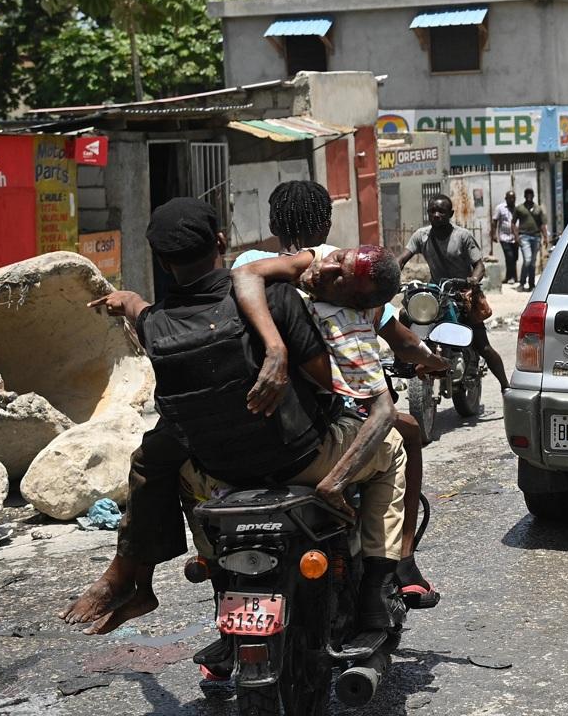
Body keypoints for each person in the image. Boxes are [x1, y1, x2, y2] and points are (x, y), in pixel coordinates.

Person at [62, 199, 408, 640]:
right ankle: (379, 587)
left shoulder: (157, 326)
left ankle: (214, 586)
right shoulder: (275, 300)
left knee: (171, 468)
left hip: (219, 473)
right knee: (393, 448)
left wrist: (126, 299)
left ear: (164, 263)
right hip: (300, 459)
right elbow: (333, 383)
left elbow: (141, 312)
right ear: (222, 242)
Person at [230, 180, 450, 605]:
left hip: (258, 412)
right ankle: (399, 563)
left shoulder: (251, 262)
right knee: (406, 433)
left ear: (274, 222)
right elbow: (402, 341)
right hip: (320, 419)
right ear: (327, 222)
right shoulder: (346, 268)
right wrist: (434, 360)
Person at [399, 194, 511, 392]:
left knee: (482, 345)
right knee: (405, 314)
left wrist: (474, 280)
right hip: (437, 295)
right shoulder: (421, 236)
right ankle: (401, 360)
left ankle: (505, 387)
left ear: (450, 213)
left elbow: (479, 265)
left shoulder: (462, 236)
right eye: (433, 211)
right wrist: (391, 274)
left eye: (441, 211)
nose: (436, 214)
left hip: (463, 295)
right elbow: (402, 259)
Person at [512, 188, 547, 291]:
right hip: (524, 236)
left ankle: (531, 284)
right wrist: (516, 236)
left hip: (536, 237)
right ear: (524, 195)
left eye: (531, 194)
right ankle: (522, 283)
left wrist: (545, 237)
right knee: (527, 259)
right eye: (527, 194)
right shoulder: (520, 208)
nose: (529, 196)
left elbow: (542, 224)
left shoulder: (538, 209)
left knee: (532, 262)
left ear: (533, 195)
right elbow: (513, 223)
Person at [492, 189, 519, 286]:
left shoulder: (517, 209)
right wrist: (494, 234)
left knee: (514, 257)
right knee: (509, 256)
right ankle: (511, 277)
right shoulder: (500, 208)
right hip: (504, 237)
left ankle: (511, 276)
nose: (512, 200)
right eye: (510, 198)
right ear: (506, 198)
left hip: (515, 237)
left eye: (513, 198)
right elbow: (495, 221)